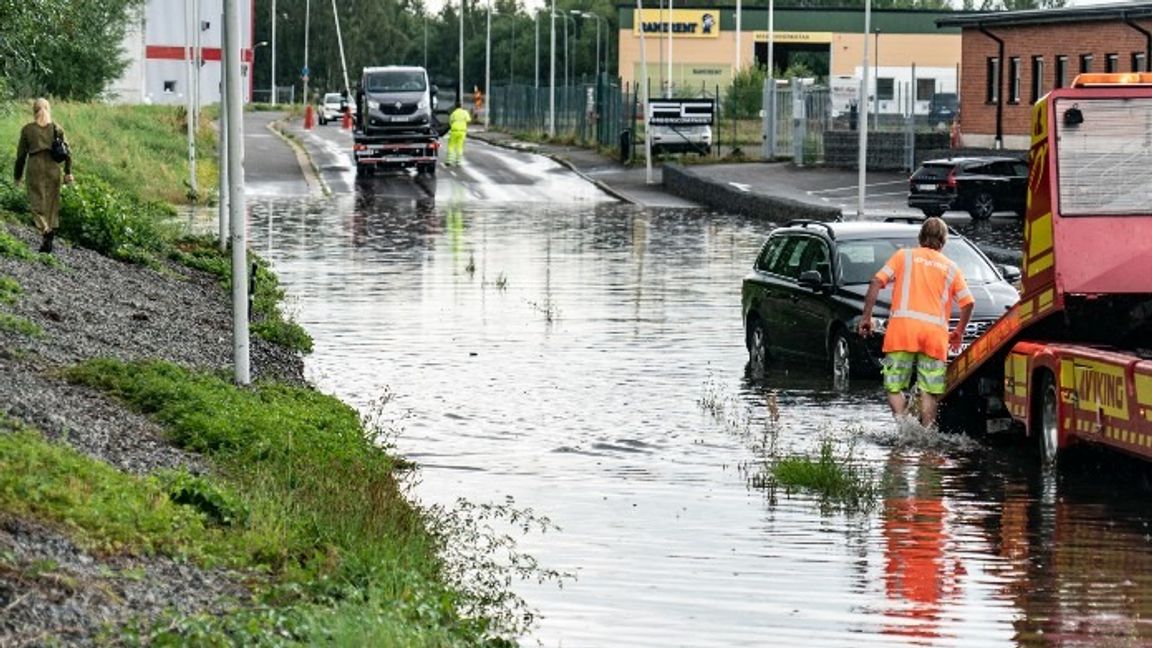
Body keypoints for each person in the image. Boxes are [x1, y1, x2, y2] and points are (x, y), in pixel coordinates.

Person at [858, 217, 974, 427]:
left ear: (920, 237)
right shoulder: (951, 267)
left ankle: (905, 427)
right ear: (944, 241)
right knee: (929, 391)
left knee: (893, 386)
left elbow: (876, 281)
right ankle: (926, 436)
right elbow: (968, 303)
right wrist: (959, 331)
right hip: (934, 337)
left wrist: (867, 317)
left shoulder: (904, 257)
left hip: (902, 333)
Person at [14, 98, 73, 253]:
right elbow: (68, 152)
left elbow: (20, 156)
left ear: (34, 110)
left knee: (36, 202)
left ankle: (45, 230)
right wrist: (68, 172)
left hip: (35, 166)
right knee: (52, 203)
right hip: (54, 167)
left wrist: (17, 176)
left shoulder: (27, 129)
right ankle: (50, 231)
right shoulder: (56, 128)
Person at [445, 100, 472, 167]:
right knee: (459, 146)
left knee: (451, 146)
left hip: (454, 131)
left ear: (455, 107)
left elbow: (450, 121)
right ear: (461, 106)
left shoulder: (453, 113)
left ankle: (449, 161)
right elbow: (469, 120)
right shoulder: (465, 112)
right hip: (462, 131)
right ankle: (458, 162)